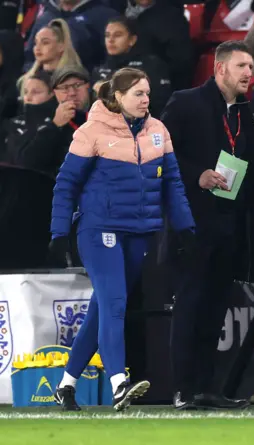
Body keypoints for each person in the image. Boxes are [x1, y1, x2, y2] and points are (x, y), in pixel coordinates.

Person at [48, 67, 195, 411]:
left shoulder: (158, 130)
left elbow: (172, 182)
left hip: (139, 232)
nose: (146, 100)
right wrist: (58, 232)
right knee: (115, 304)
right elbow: (66, 183)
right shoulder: (92, 131)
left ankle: (67, 384)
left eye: (147, 93)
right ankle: (119, 383)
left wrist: (185, 226)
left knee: (103, 308)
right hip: (99, 230)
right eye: (138, 94)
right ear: (117, 97)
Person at [161, 40, 254, 410]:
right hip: (193, 224)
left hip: (231, 226)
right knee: (190, 307)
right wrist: (196, 175)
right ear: (220, 69)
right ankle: (183, 389)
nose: (251, 73)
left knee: (216, 308)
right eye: (242, 66)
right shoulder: (185, 103)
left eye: (252, 67)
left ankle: (207, 388)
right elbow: (162, 154)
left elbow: (246, 161)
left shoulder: (242, 111)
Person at [92, 17, 172, 117]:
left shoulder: (151, 65)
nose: (111, 40)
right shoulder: (98, 70)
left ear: (132, 40)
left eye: (117, 35)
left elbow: (161, 105)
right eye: (107, 35)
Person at [24, 0, 118, 72]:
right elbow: (29, 57)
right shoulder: (45, 17)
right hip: (43, 86)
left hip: (84, 86)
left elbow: (114, 58)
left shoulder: (104, 16)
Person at [19, 19, 84, 91]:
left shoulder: (73, 80)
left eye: (45, 42)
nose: (37, 48)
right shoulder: (25, 80)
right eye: (35, 43)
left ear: (61, 46)